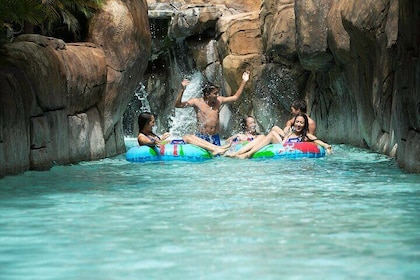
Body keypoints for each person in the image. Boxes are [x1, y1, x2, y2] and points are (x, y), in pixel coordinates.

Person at [174, 71, 250, 154]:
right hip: (202, 138)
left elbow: (235, 97)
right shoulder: (197, 102)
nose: (217, 95)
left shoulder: (219, 101)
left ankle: (217, 148)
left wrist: (244, 81)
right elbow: (178, 105)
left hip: (215, 137)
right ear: (207, 94)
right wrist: (182, 90)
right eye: (215, 93)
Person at [228, 112, 331, 159]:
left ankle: (248, 154)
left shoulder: (305, 136)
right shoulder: (290, 132)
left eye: (301, 123)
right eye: (297, 122)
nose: (298, 124)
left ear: (304, 125)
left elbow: (317, 141)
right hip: (282, 145)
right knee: (262, 137)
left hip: (285, 147)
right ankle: (239, 152)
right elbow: (284, 136)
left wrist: (326, 146)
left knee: (272, 133)